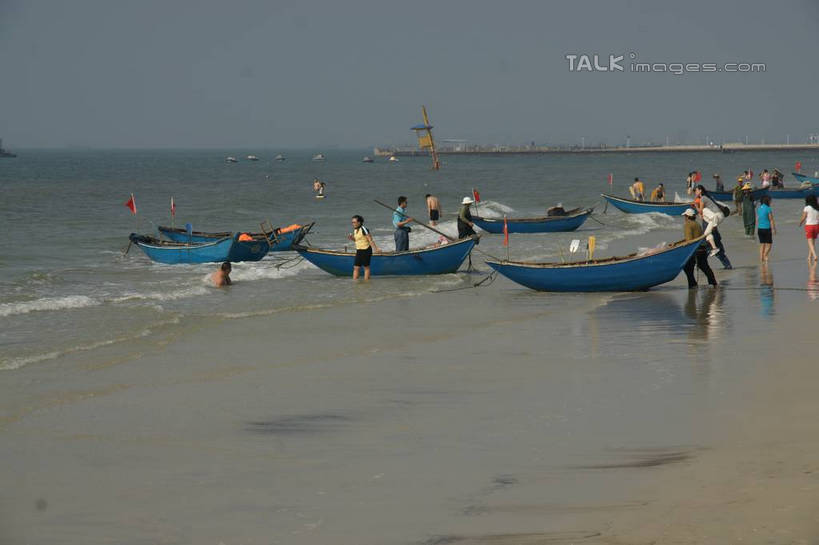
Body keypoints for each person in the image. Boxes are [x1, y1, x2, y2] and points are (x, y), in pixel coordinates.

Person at [681, 208, 717, 288]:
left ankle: (693, 284)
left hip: (694, 250)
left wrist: (683, 245)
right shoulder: (696, 224)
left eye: (685, 216)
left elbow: (689, 240)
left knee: (687, 267)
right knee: (704, 267)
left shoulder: (688, 224)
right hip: (702, 248)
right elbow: (696, 237)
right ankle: (713, 283)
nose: (684, 218)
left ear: (687, 217)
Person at [694, 184, 728, 257]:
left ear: (700, 191)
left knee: (704, 210)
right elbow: (701, 216)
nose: (695, 192)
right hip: (717, 217)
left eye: (696, 190)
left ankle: (714, 223)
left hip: (717, 215)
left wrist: (696, 206)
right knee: (706, 234)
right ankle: (714, 248)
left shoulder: (703, 198)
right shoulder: (706, 197)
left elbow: (700, 211)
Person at [348, 214, 379, 280]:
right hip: (359, 250)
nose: (353, 224)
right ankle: (355, 282)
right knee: (356, 267)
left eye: (354, 222)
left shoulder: (364, 229)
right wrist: (352, 238)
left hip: (366, 250)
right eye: (352, 222)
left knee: (366, 267)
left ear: (359, 222)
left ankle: (366, 282)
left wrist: (376, 249)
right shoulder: (355, 230)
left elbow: (370, 239)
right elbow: (357, 240)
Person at [798, 194, 819, 262]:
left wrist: (800, 223)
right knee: (813, 242)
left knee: (809, 242)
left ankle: (815, 255)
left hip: (809, 226)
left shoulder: (807, 207)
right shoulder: (817, 208)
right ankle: (809, 256)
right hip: (816, 226)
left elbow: (803, 217)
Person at [757, 195, 776, 263]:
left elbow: (758, 219)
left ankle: (761, 258)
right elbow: (771, 219)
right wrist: (774, 229)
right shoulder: (768, 208)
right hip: (767, 228)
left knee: (762, 244)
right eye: (770, 200)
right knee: (769, 244)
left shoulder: (759, 208)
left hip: (760, 229)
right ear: (767, 201)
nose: (771, 202)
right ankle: (765, 255)